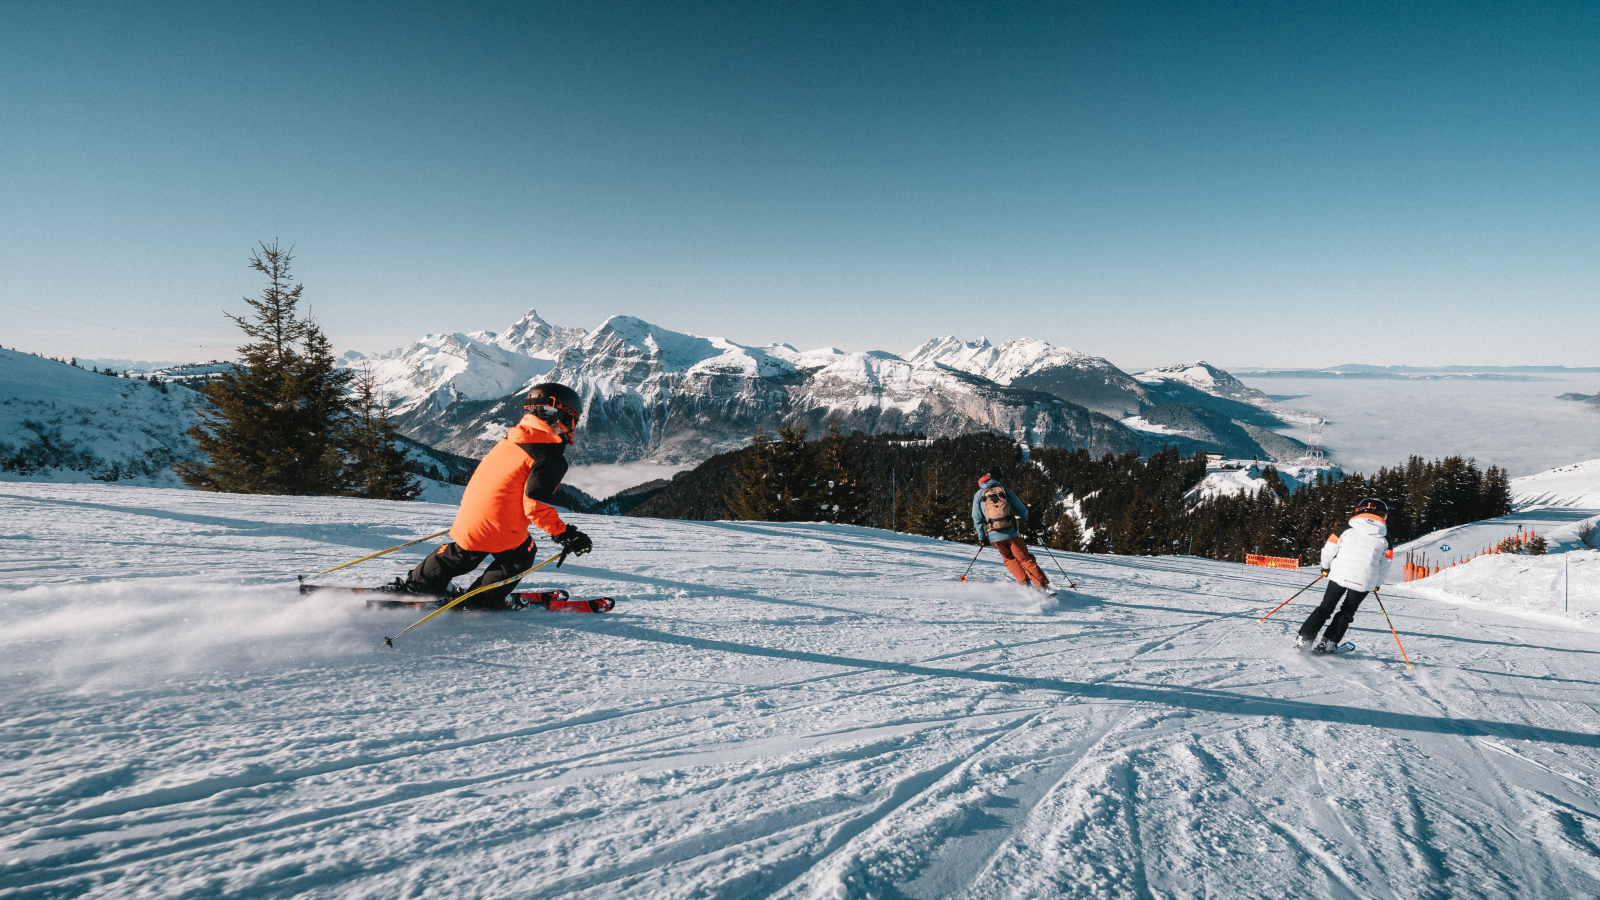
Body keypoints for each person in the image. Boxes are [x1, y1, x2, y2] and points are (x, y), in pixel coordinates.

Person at [398, 383, 593, 609]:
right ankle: (480, 600)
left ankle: (419, 585)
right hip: (499, 525)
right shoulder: (549, 456)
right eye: (573, 419)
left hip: (470, 516)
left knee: (463, 552)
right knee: (520, 555)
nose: (573, 426)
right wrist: (564, 533)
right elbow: (535, 505)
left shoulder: (513, 439)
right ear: (559, 415)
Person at [1297, 498, 1394, 652]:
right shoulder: (1385, 537)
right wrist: (1377, 584)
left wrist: (1325, 567)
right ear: (1384, 514)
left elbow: (1329, 548)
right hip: (1365, 580)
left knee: (1325, 608)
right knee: (1347, 612)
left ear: (1358, 510)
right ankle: (1329, 643)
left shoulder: (1346, 528)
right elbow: (1385, 565)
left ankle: (1305, 638)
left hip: (1339, 575)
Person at [971, 469, 1050, 590]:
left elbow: (977, 518)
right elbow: (1021, 508)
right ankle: (1042, 586)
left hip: (994, 535)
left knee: (1009, 559)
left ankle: (1025, 585)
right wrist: (1027, 519)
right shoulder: (1005, 491)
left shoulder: (979, 495)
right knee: (1025, 559)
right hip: (1011, 532)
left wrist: (982, 537)